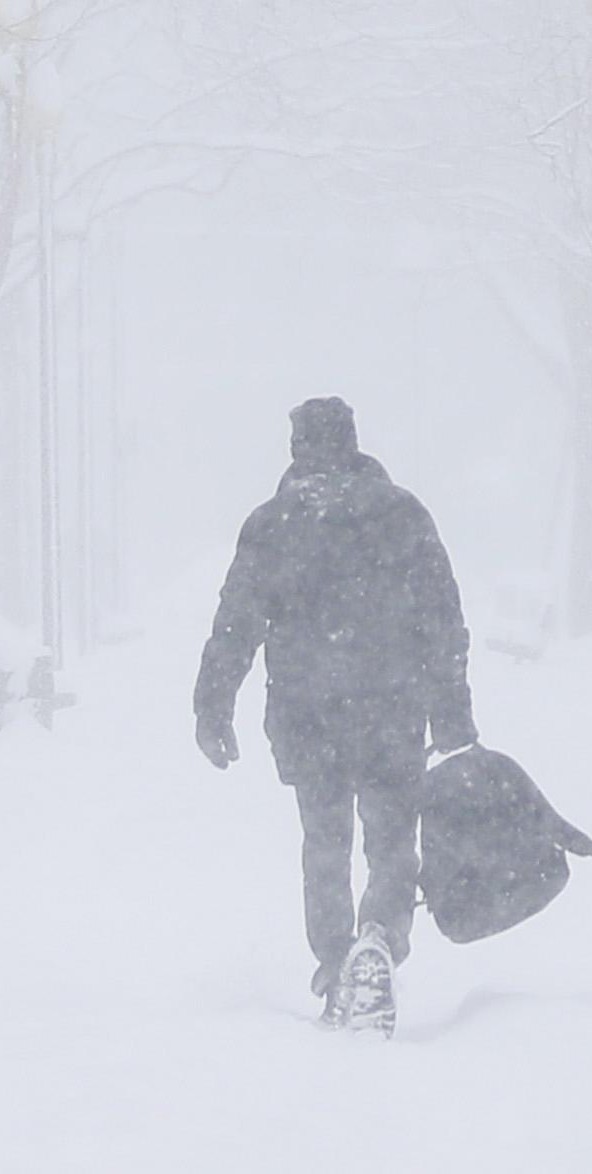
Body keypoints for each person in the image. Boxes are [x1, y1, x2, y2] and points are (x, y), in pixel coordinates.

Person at [193, 395, 476, 1034]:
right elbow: (442, 621)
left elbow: (236, 623)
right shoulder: (402, 516)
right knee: (393, 843)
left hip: (306, 713)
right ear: (353, 443)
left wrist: (213, 704)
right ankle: (379, 937)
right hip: (393, 707)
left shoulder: (272, 524)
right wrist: (453, 714)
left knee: (324, 844)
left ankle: (335, 963)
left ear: (297, 451)